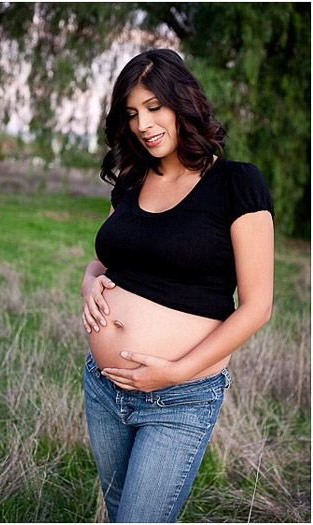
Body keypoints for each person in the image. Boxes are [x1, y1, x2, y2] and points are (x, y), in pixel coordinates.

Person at [80, 49, 274, 522]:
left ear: (182, 102)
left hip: (181, 396)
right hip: (104, 388)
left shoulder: (236, 183)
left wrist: (176, 371)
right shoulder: (130, 180)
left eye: (153, 107)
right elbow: (104, 261)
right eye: (131, 114)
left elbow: (257, 306)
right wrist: (88, 283)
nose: (143, 124)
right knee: (120, 511)